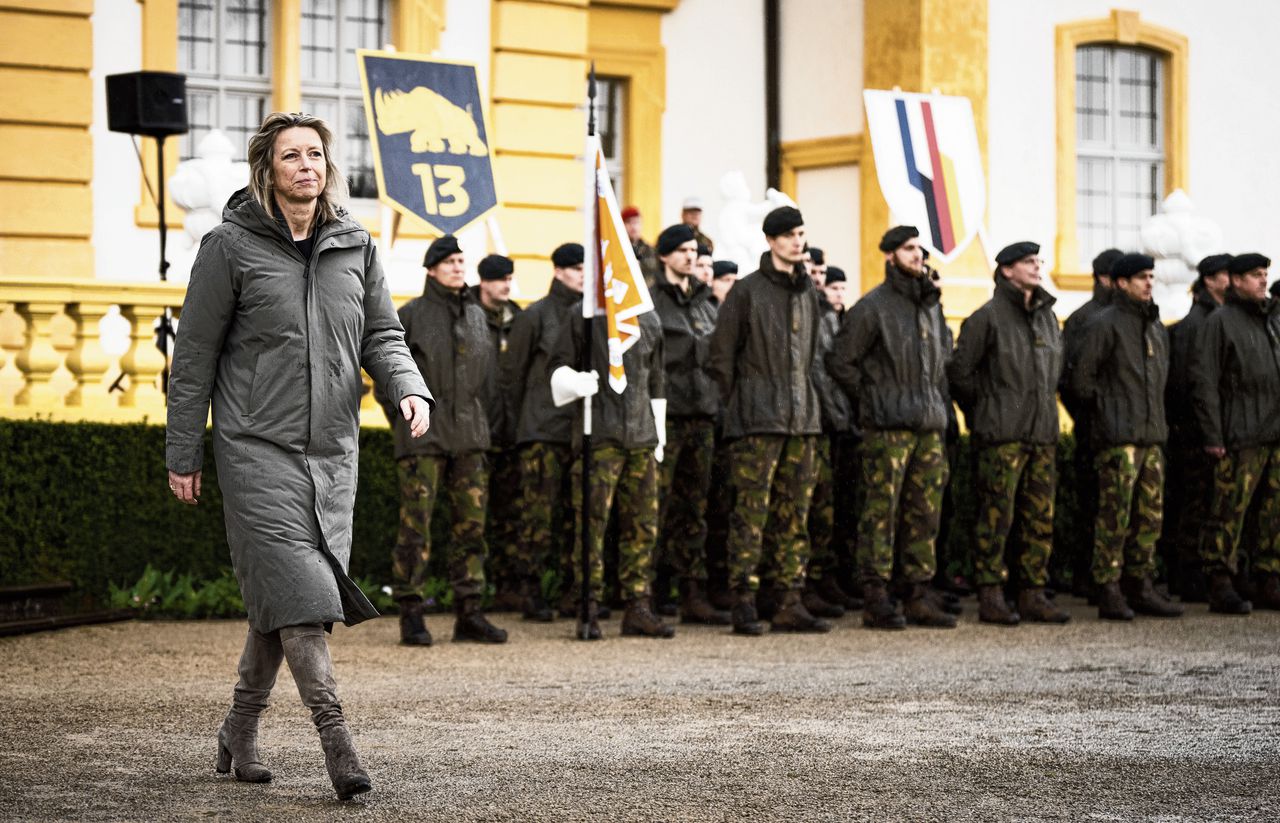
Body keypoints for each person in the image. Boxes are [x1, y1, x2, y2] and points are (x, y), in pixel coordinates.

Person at [166, 112, 430, 800]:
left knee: (282, 601)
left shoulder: (356, 244)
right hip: (255, 448)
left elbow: (384, 332)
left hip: (332, 455)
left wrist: (407, 386)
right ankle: (337, 740)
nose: (306, 164)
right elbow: (192, 356)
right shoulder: (229, 247)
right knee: (306, 600)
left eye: (316, 153)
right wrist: (184, 449)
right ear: (269, 168)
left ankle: (239, 726)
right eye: (292, 155)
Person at [376, 236, 509, 646]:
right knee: (416, 529)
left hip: (470, 437)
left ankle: (469, 612)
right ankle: (411, 613)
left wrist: (483, 424)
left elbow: (488, 380)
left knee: (471, 529)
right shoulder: (411, 315)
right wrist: (405, 418)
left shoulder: (477, 314)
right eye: (448, 261)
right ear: (431, 269)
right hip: (424, 440)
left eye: (461, 260)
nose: (457, 267)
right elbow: (386, 376)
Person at [709, 205, 830, 635]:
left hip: (802, 421)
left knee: (794, 515)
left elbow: (813, 357)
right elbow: (721, 359)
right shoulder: (746, 292)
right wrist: (740, 406)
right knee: (751, 514)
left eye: (801, 232)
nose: (799, 241)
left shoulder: (808, 295)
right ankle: (744, 598)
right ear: (771, 240)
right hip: (757, 421)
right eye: (790, 234)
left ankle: (788, 598)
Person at [827, 226, 955, 630]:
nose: (917, 255)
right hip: (888, 428)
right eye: (908, 248)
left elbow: (944, 357)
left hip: (928, 424)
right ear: (889, 256)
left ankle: (917, 590)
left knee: (924, 512)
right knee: (880, 513)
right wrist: (873, 398)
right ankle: (876, 594)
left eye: (919, 248)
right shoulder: (873, 307)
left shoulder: (931, 306)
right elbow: (841, 361)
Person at [947, 242, 1070, 625]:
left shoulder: (1048, 318)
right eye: (1028, 262)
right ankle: (991, 592)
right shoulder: (986, 318)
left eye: (1039, 260)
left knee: (1039, 518)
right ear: (1006, 270)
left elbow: (1056, 372)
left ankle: (1032, 591)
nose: (1037, 266)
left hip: (1042, 434)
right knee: (996, 518)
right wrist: (985, 413)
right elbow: (960, 375)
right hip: (1002, 437)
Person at [548, 273, 671, 640]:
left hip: (641, 438)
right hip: (599, 436)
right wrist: (573, 381)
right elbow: (554, 366)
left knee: (643, 528)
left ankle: (637, 605)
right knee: (591, 526)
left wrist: (658, 432)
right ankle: (588, 605)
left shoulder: (648, 319)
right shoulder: (583, 316)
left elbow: (657, 379)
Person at [1071, 253, 1184, 621]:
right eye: (1140, 277)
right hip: (1119, 439)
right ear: (1121, 283)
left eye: (1151, 276)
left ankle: (1140, 583)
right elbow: (1081, 382)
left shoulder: (1154, 327)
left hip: (1151, 437)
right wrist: (1110, 412)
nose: (1148, 282)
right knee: (1114, 516)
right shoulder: (1104, 324)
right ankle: (1108, 586)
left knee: (1149, 517)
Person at [1189, 252, 1280, 613]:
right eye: (1255, 275)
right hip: (1239, 434)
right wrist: (1213, 436)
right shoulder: (1220, 322)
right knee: (1229, 512)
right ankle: (1220, 580)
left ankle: (1268, 577)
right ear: (1236, 281)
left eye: (1265, 274)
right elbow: (1204, 382)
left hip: (1274, 433)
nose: (1263, 280)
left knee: (1274, 514)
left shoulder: (1272, 319)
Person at [650, 224, 731, 625]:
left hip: (703, 413)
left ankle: (691, 590)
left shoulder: (705, 303)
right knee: (657, 506)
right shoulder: (649, 302)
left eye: (693, 250)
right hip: (667, 414)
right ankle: (651, 589)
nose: (689, 256)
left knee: (694, 507)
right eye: (681, 249)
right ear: (664, 255)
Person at [502, 243, 586, 620]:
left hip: (581, 431)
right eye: (576, 267)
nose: (583, 273)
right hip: (541, 431)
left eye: (586, 267)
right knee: (537, 517)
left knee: (576, 517)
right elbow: (513, 375)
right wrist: (518, 428)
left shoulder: (593, 315)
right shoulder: (536, 315)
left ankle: (573, 591)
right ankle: (529, 591)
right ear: (559, 270)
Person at [1161, 253, 1232, 602]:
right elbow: (1185, 384)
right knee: (1194, 504)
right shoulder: (1198, 324)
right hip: (1194, 431)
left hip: (1211, 428)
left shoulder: (1219, 319)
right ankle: (1185, 573)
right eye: (1225, 274)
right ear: (1209, 280)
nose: (1232, 280)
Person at [1059, 248, 1124, 595]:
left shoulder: (1133, 317)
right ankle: (1084, 575)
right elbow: (1071, 380)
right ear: (1104, 278)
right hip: (1094, 428)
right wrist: (1090, 416)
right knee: (1091, 505)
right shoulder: (1084, 319)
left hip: (1122, 428)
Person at [470, 254, 527, 613]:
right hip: (476, 432)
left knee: (511, 515)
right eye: (499, 279)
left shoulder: (518, 319)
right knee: (475, 519)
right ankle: (475, 590)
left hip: (511, 431)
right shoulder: (468, 315)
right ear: (484, 281)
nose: (506, 284)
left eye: (509, 278)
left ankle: (508, 586)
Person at [805, 264, 861, 615]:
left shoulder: (838, 319)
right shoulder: (817, 316)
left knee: (837, 509)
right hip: (820, 422)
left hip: (839, 423)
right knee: (817, 510)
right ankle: (813, 580)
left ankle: (830, 578)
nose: (835, 291)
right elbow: (821, 372)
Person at [622, 205, 660, 286]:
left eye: (636, 222)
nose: (633, 227)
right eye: (628, 222)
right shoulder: (618, 250)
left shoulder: (651, 251)